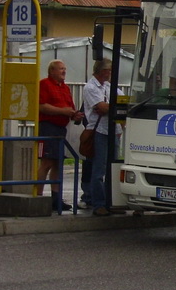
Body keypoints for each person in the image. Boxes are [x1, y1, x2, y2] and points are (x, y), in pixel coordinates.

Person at [37, 59, 83, 212]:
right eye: (60, 69)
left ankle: (56, 198)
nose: (64, 71)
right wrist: (62, 111)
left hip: (62, 128)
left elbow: (70, 107)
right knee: (47, 162)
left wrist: (74, 115)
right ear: (52, 71)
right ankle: (38, 196)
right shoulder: (44, 84)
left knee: (58, 162)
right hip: (48, 127)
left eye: (64, 69)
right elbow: (41, 106)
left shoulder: (65, 88)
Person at [82, 58, 121, 216]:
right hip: (99, 131)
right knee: (99, 169)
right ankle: (98, 203)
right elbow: (102, 107)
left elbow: (122, 103)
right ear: (101, 71)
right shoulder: (90, 87)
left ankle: (111, 201)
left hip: (113, 130)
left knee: (113, 167)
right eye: (108, 70)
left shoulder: (109, 86)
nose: (110, 73)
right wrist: (112, 107)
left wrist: (111, 107)